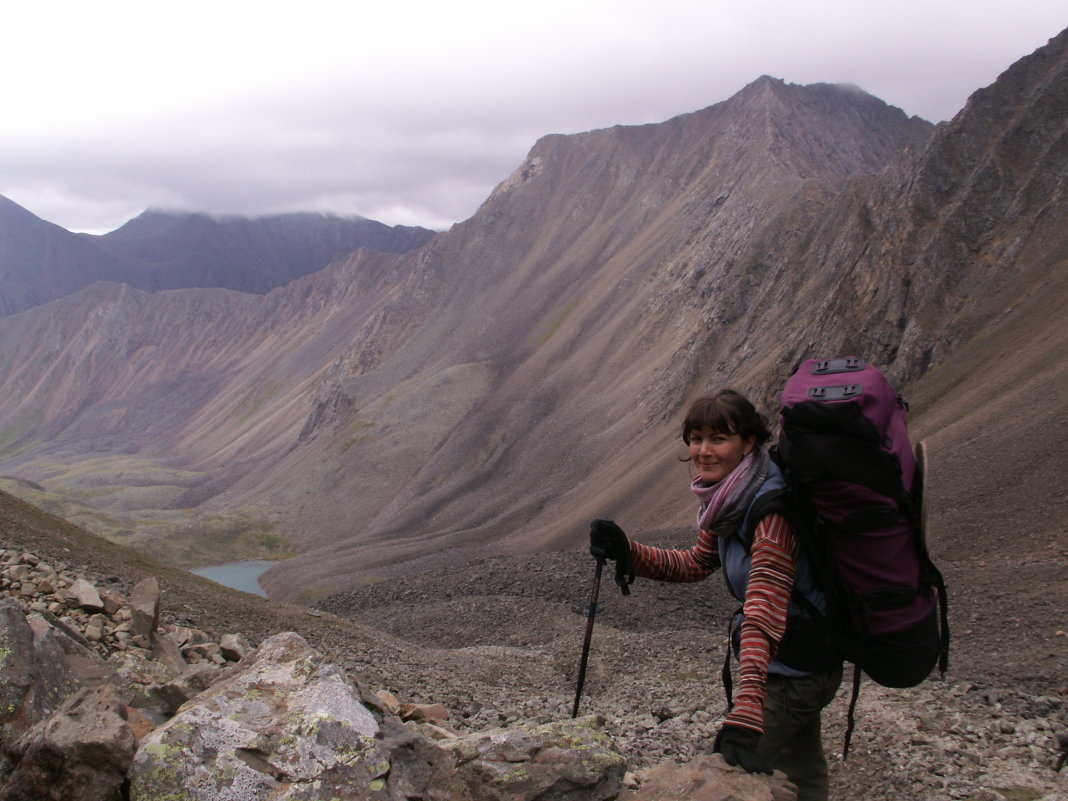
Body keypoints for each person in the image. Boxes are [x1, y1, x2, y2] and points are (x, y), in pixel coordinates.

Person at [589, 388, 843, 801]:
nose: (703, 450)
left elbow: (764, 611)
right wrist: (627, 551)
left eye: (718, 438)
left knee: (724, 779)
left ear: (750, 442)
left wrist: (746, 713)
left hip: (796, 669)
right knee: (801, 774)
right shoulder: (727, 497)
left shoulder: (770, 510)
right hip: (802, 663)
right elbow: (696, 563)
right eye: (696, 438)